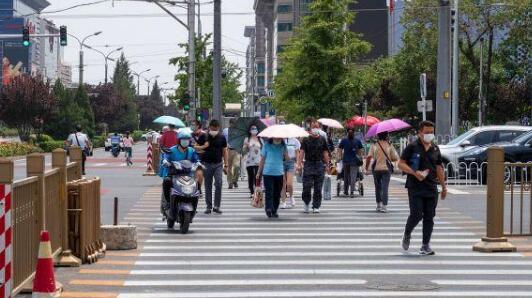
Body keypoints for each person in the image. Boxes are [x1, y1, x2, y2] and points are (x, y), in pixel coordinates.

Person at [398, 121, 447, 255]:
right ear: (420, 133)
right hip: (415, 186)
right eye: (427, 132)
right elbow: (400, 164)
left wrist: (443, 187)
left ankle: (425, 245)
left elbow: (439, 168)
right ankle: (407, 232)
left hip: (431, 187)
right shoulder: (412, 147)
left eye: (431, 132)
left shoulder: (435, 149)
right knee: (416, 214)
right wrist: (414, 173)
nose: (429, 135)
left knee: (429, 216)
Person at [160, 131, 200, 213]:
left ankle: (194, 204)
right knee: (166, 181)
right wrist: (165, 161)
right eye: (183, 139)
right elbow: (166, 157)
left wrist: (198, 162)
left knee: (197, 183)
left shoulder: (191, 150)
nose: (185, 141)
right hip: (174, 174)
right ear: (179, 140)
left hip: (188, 175)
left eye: (187, 139)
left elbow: (196, 159)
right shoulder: (172, 150)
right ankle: (167, 202)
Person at [297, 119, 330, 213]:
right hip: (308, 164)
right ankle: (306, 203)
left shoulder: (322, 139)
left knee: (318, 188)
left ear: (319, 127)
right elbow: (301, 152)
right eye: (313, 126)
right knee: (306, 186)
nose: (315, 128)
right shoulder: (306, 139)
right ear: (310, 127)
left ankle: (316, 206)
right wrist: (299, 164)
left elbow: (325, 152)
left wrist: (328, 165)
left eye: (317, 126)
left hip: (319, 164)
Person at [197, 120, 228, 214]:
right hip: (206, 164)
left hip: (218, 164)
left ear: (219, 128)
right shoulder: (203, 136)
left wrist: (226, 165)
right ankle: (208, 206)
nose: (214, 130)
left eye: (216, 128)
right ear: (209, 127)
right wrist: (203, 147)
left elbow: (224, 151)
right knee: (208, 185)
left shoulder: (222, 137)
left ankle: (217, 206)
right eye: (213, 128)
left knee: (219, 183)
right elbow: (196, 147)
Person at [365, 132, 399, 212]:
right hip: (386, 169)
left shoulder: (374, 145)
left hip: (376, 168)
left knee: (378, 187)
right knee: (385, 187)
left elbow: (369, 157)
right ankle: (384, 206)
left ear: (378, 136)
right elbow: (395, 157)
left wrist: (366, 168)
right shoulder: (389, 144)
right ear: (386, 136)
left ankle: (378, 205)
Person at [257, 138, 289, 218]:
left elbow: (287, 159)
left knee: (277, 193)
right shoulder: (266, 145)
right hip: (267, 172)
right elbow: (262, 160)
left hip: (279, 172)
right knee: (269, 192)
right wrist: (258, 172)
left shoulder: (283, 145)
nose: (277, 138)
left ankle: (274, 210)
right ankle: (268, 208)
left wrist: (286, 153)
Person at [338, 128, 364, 197]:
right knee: (353, 177)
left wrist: (339, 157)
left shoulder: (344, 140)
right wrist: (360, 157)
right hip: (353, 162)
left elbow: (339, 149)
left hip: (346, 161)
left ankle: (346, 191)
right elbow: (360, 150)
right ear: (354, 133)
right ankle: (351, 191)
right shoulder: (357, 140)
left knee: (346, 177)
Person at [281, 137, 300, 209]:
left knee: (289, 183)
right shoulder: (280, 140)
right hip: (281, 162)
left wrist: (297, 163)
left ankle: (291, 196)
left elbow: (297, 153)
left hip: (291, 162)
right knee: (283, 182)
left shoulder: (295, 141)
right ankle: (283, 201)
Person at [243, 124, 262, 197]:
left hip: (258, 160)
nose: (254, 130)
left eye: (255, 128)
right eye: (252, 129)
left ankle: (257, 190)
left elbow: (263, 149)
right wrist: (246, 146)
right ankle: (251, 191)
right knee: (251, 176)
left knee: (257, 176)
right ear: (250, 130)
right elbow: (244, 150)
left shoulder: (260, 139)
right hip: (249, 160)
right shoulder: (247, 139)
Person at [223, 118, 241, 189]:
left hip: (237, 150)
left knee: (237, 166)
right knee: (229, 167)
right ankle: (230, 182)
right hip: (228, 150)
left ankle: (235, 180)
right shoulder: (225, 131)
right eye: (232, 124)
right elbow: (223, 140)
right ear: (230, 124)